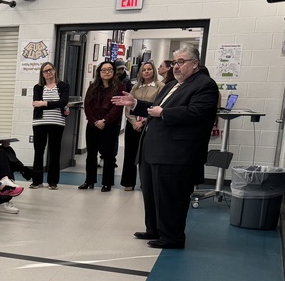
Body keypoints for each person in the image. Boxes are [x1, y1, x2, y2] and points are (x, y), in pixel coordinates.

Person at [112, 46, 218, 249]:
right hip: (154, 150)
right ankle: (154, 229)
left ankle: (172, 237)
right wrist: (135, 103)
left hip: (175, 154)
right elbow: (154, 108)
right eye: (174, 62)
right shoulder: (172, 85)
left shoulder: (205, 85)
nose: (176, 66)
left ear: (195, 64)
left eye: (181, 62)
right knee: (151, 193)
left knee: (170, 197)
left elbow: (197, 112)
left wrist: (165, 114)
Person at [80, 61, 126, 192]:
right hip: (93, 125)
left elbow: (118, 107)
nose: (107, 72)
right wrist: (95, 121)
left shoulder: (120, 87)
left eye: (109, 70)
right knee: (91, 155)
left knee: (108, 155)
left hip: (109, 126)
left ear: (113, 72)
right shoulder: (93, 86)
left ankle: (107, 183)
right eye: (103, 70)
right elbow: (87, 105)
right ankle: (89, 180)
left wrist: (105, 120)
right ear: (99, 72)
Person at [120, 61, 162, 191]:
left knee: (147, 154)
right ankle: (128, 182)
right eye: (144, 70)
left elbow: (158, 105)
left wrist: (143, 121)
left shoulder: (160, 86)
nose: (147, 72)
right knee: (130, 154)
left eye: (149, 69)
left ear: (154, 71)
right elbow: (129, 106)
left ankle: (147, 182)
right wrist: (133, 122)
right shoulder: (135, 87)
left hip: (149, 124)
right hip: (133, 125)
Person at [30, 62, 69, 190]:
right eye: (45, 71)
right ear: (42, 74)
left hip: (57, 122)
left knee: (54, 151)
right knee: (38, 151)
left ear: (55, 70)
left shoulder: (63, 86)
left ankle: (53, 182)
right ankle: (37, 181)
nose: (48, 73)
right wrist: (50, 103)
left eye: (50, 70)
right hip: (39, 123)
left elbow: (63, 102)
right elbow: (36, 103)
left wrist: (44, 103)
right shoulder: (38, 87)